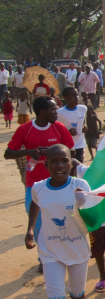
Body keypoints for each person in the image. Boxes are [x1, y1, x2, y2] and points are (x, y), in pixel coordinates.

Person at [24, 144, 92, 299]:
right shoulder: (39, 188)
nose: (59, 165)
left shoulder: (81, 185)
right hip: (50, 250)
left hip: (77, 248)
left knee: (77, 294)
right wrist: (29, 229)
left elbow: (93, 214)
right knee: (55, 298)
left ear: (71, 163)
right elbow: (35, 203)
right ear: (47, 165)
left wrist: (83, 203)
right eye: (54, 161)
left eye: (64, 160)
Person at [5, 97, 75, 272]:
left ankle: (63, 254)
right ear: (42, 112)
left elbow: (70, 151)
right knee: (36, 221)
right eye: (53, 110)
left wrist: (53, 152)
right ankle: (44, 258)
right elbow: (8, 153)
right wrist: (27, 152)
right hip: (34, 184)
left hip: (59, 183)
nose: (56, 113)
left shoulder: (59, 128)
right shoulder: (25, 129)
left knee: (63, 219)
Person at [73, 159, 105, 293]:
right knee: (97, 250)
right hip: (95, 219)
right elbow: (73, 162)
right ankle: (102, 276)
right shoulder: (88, 171)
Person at [57, 87, 88, 164]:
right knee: (68, 168)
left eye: (77, 95)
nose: (77, 97)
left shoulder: (83, 108)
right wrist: (68, 133)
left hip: (80, 144)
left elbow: (83, 120)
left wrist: (84, 126)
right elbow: (56, 131)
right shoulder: (60, 113)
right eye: (73, 96)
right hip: (66, 147)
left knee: (78, 168)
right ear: (66, 98)